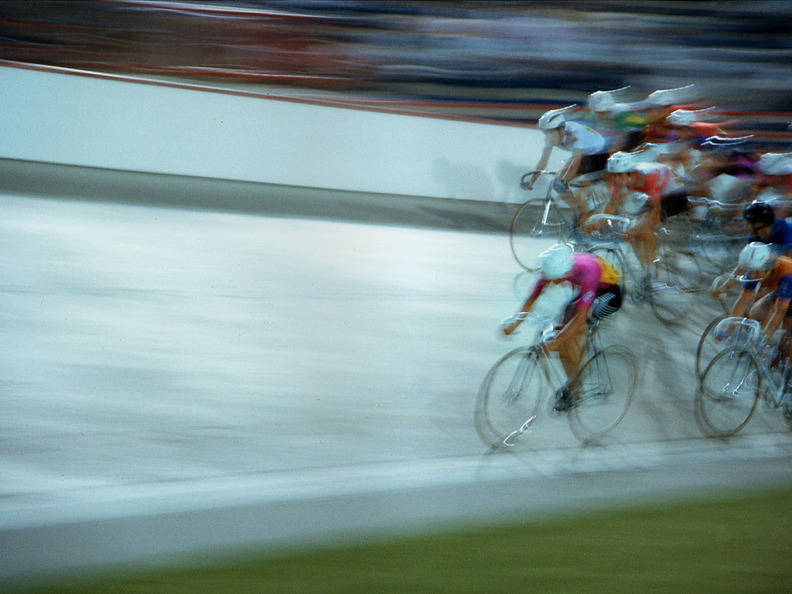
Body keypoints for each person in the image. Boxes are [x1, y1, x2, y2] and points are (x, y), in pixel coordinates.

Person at [502, 243, 623, 411]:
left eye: (556, 279)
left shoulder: (589, 270)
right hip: (589, 291)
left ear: (565, 272)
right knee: (563, 336)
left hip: (610, 294)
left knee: (571, 335)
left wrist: (559, 340)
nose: (554, 283)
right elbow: (532, 298)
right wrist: (515, 323)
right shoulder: (552, 268)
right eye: (550, 280)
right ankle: (575, 383)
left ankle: (577, 380)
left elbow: (580, 318)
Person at [588, 151, 689, 282]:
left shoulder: (647, 176)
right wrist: (597, 222)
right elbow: (611, 205)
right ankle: (646, 268)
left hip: (675, 195)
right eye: (614, 175)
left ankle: (652, 269)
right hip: (659, 194)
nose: (617, 180)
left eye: (620, 175)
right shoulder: (619, 180)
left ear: (631, 172)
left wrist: (637, 229)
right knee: (633, 229)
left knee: (643, 228)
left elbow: (655, 211)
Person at [523, 106, 610, 223]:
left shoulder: (576, 133)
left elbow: (576, 162)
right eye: (545, 133)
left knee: (566, 182)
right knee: (556, 183)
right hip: (584, 154)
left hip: (599, 154)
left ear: (562, 129)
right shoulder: (550, 137)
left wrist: (565, 180)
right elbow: (543, 160)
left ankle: (586, 215)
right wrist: (532, 180)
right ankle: (579, 213)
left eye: (551, 133)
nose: (548, 137)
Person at [711, 201, 792, 301]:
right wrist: (724, 287)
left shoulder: (786, 233)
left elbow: (788, 268)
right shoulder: (755, 238)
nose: (746, 226)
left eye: (749, 223)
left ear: (759, 223)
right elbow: (746, 263)